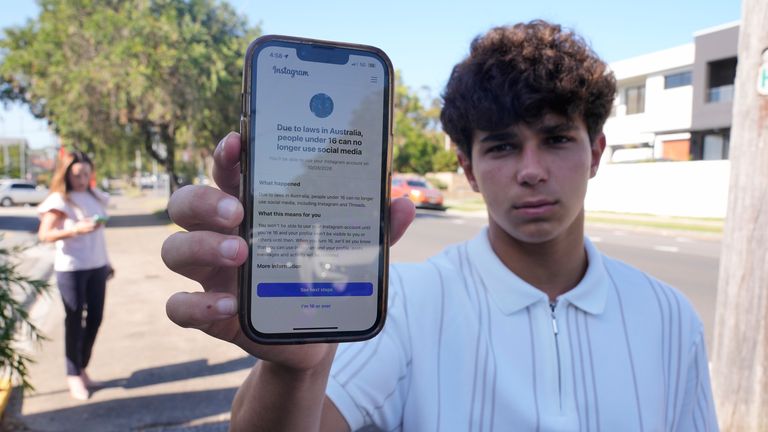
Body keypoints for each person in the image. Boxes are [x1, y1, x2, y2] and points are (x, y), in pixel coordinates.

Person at [162, 20, 718, 431]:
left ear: (595, 152)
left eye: (555, 139)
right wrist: (296, 371)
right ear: (468, 169)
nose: (530, 171)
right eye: (501, 146)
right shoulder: (401, 304)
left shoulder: (671, 318)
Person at [38, 150, 111, 401]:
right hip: (71, 268)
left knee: (96, 319)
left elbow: (99, 235)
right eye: (77, 174)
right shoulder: (60, 200)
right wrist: (75, 230)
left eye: (86, 174)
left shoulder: (94, 195)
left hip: (97, 265)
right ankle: (73, 375)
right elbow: (44, 235)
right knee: (74, 320)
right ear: (67, 173)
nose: (82, 179)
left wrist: (107, 263)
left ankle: (81, 367)